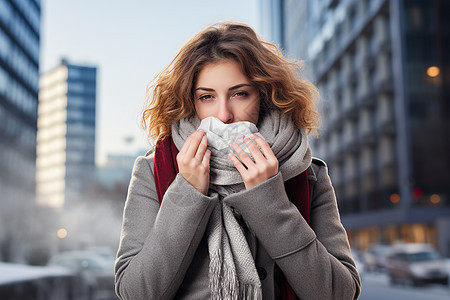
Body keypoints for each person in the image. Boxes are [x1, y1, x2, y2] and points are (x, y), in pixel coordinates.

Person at [114, 22, 361, 300]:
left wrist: (269, 201)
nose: (223, 114)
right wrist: (187, 192)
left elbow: (340, 294)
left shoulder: (308, 173)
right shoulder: (154, 170)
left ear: (264, 96)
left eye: (239, 94)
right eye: (207, 97)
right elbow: (134, 293)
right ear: (191, 102)